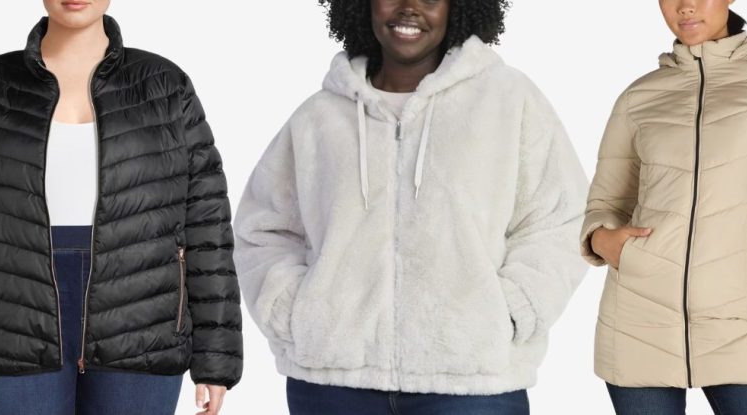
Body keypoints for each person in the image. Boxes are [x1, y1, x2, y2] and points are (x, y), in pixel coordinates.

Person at [235, 0, 589, 413]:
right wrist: (292, 313)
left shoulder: (508, 99)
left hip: (472, 385)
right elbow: (263, 229)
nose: (409, 8)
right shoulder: (318, 117)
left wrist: (511, 312)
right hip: (331, 383)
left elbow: (560, 218)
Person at [0, 1, 241, 414]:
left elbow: (207, 226)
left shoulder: (165, 86)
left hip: (141, 318)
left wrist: (216, 360)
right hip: (9, 319)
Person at [581, 1, 747, 414]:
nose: (685, 6)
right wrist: (603, 240)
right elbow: (605, 201)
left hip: (742, 330)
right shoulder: (639, 96)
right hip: (637, 326)